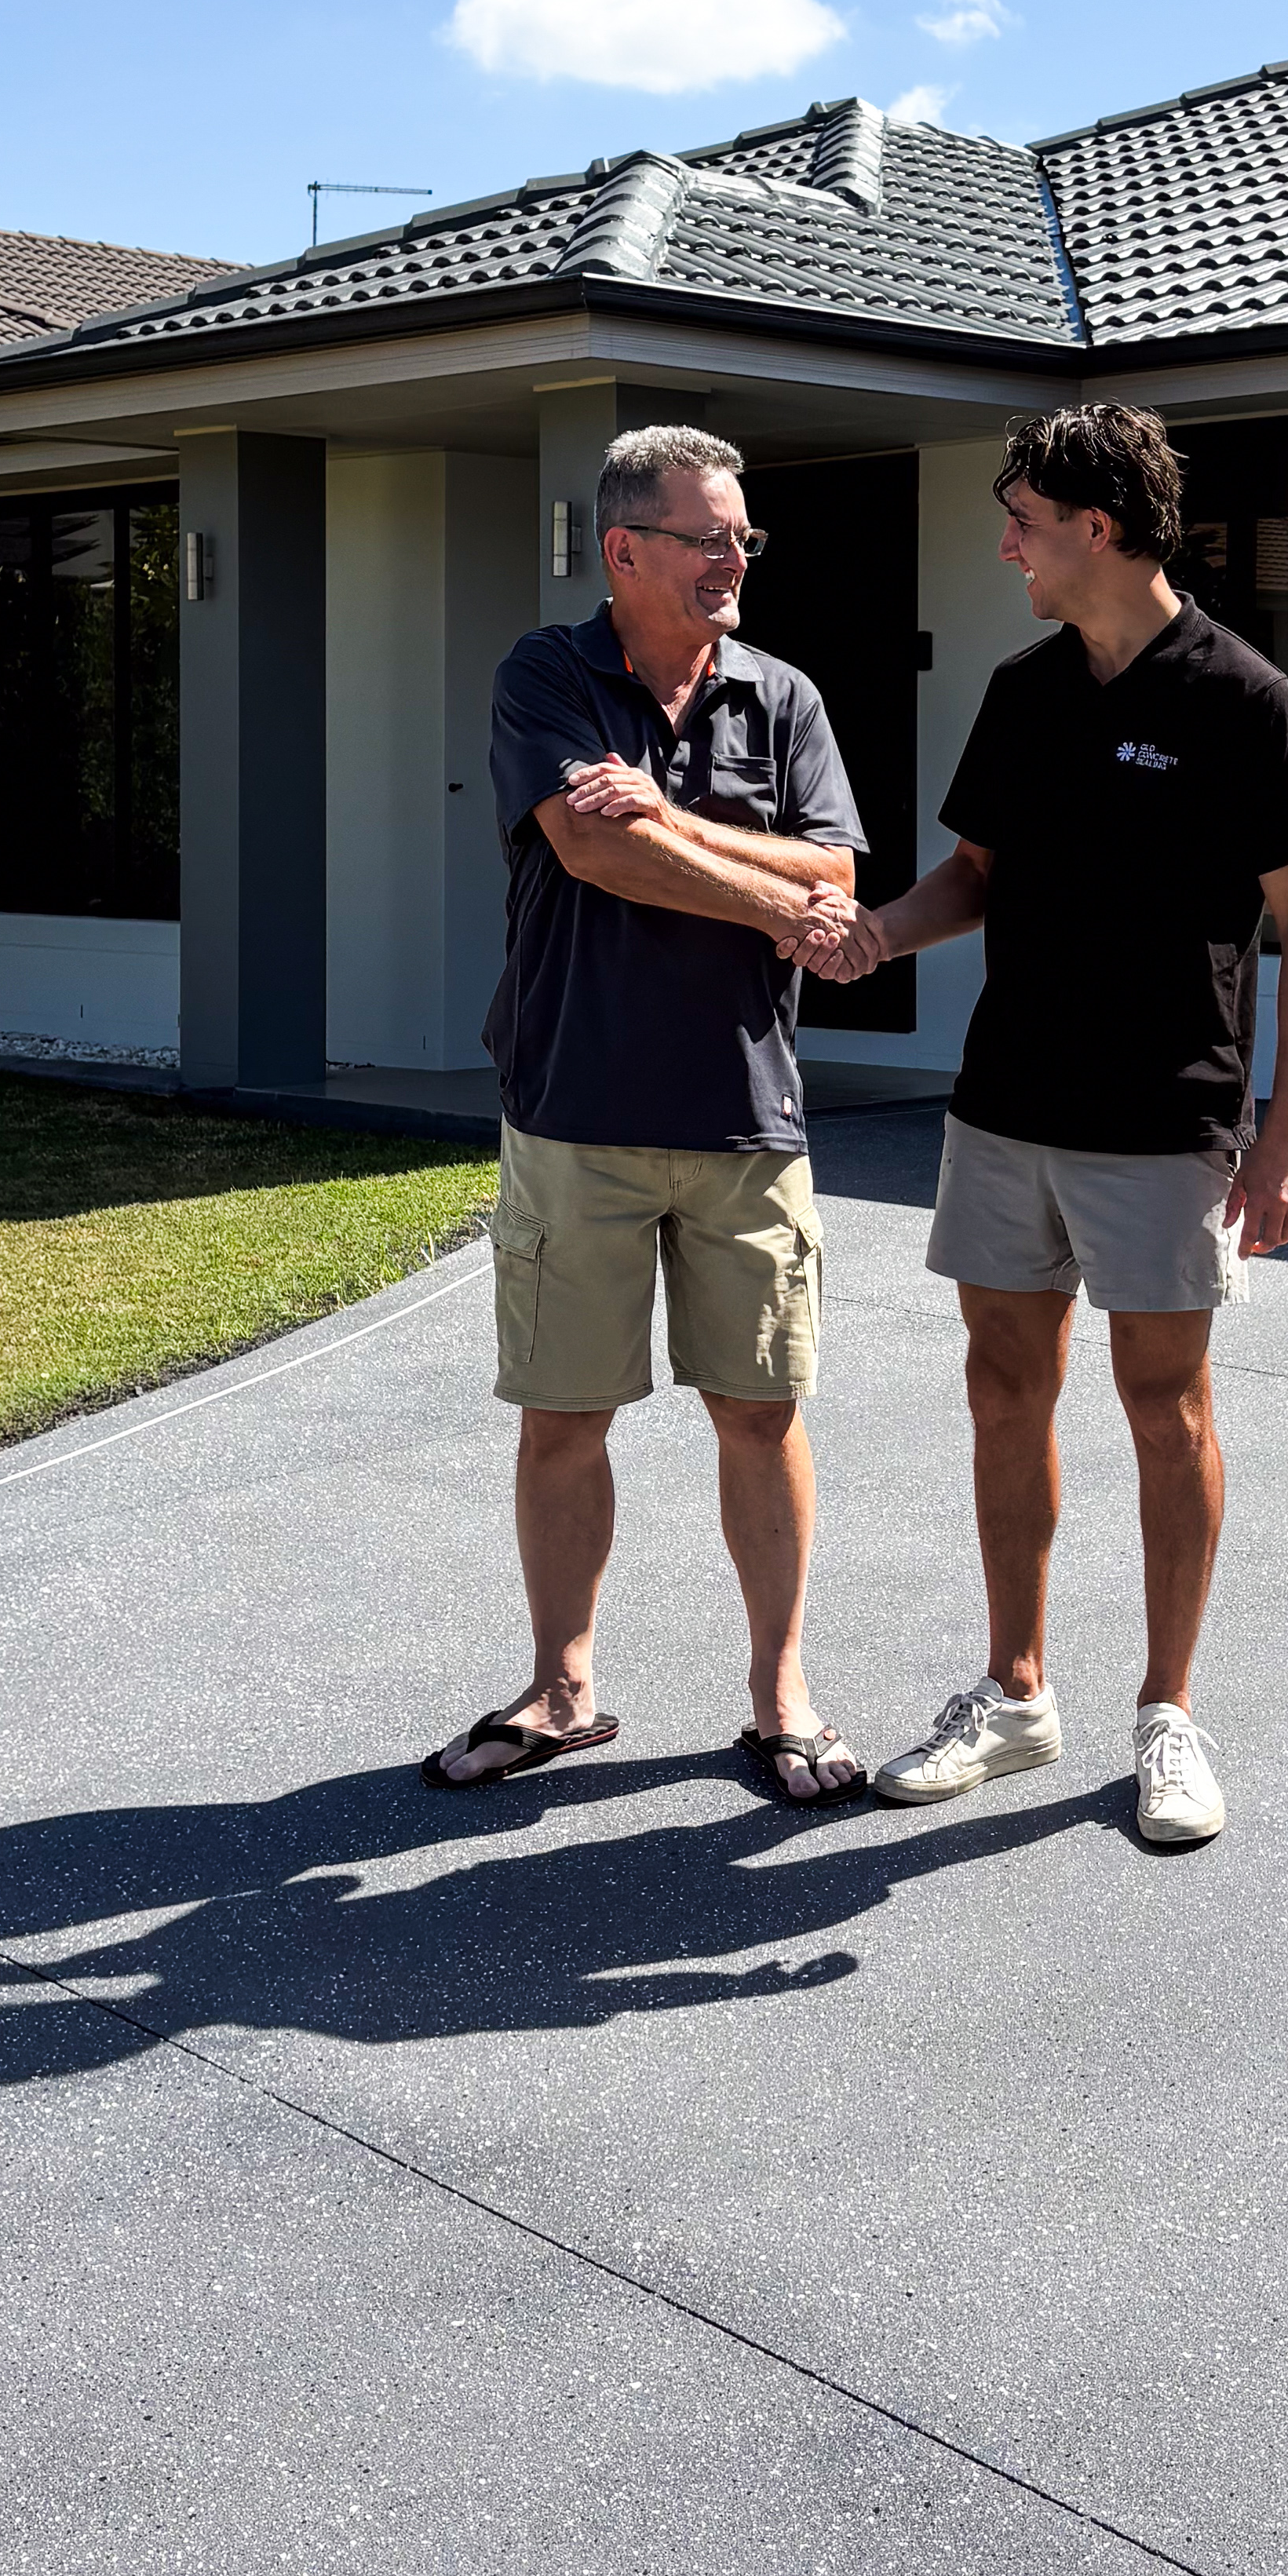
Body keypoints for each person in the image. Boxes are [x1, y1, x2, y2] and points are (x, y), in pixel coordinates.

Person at [797, 401, 1288, 1848]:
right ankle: (1017, 1693)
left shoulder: (1243, 698)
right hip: (1006, 1107)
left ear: (1095, 529)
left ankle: (1168, 1714)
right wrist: (871, 938)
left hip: (1165, 1119)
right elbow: (971, 876)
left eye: (1024, 525)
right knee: (1001, 1385)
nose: (1007, 549)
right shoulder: (1025, 689)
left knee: (1166, 1409)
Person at [424, 424, 878, 1808]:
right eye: (709, 538)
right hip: (575, 1107)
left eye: (743, 537)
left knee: (760, 1411)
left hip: (747, 1115)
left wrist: (686, 827)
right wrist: (772, 895)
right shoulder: (548, 675)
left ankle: (781, 1695)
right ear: (624, 551)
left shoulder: (783, 696)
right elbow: (592, 847)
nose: (736, 558)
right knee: (565, 1417)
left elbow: (841, 871)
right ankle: (563, 1689)